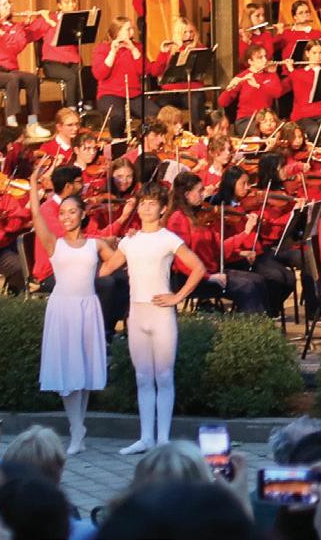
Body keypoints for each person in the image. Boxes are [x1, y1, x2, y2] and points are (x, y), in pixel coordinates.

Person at [112, 184, 206, 455]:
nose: (146, 208)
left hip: (161, 313)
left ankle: (163, 438)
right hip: (137, 313)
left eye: (152, 203)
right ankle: (146, 437)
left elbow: (198, 267)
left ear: (163, 208)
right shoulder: (129, 240)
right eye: (142, 203)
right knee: (143, 377)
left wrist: (177, 297)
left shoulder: (168, 238)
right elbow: (107, 265)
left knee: (164, 376)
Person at [27, 177, 117, 455]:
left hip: (87, 308)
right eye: (62, 213)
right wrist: (33, 186)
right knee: (68, 372)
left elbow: (117, 261)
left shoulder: (95, 244)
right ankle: (76, 428)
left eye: (72, 212)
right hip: (63, 309)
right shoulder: (54, 244)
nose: (66, 217)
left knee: (84, 371)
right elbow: (36, 216)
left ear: (83, 214)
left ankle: (79, 430)